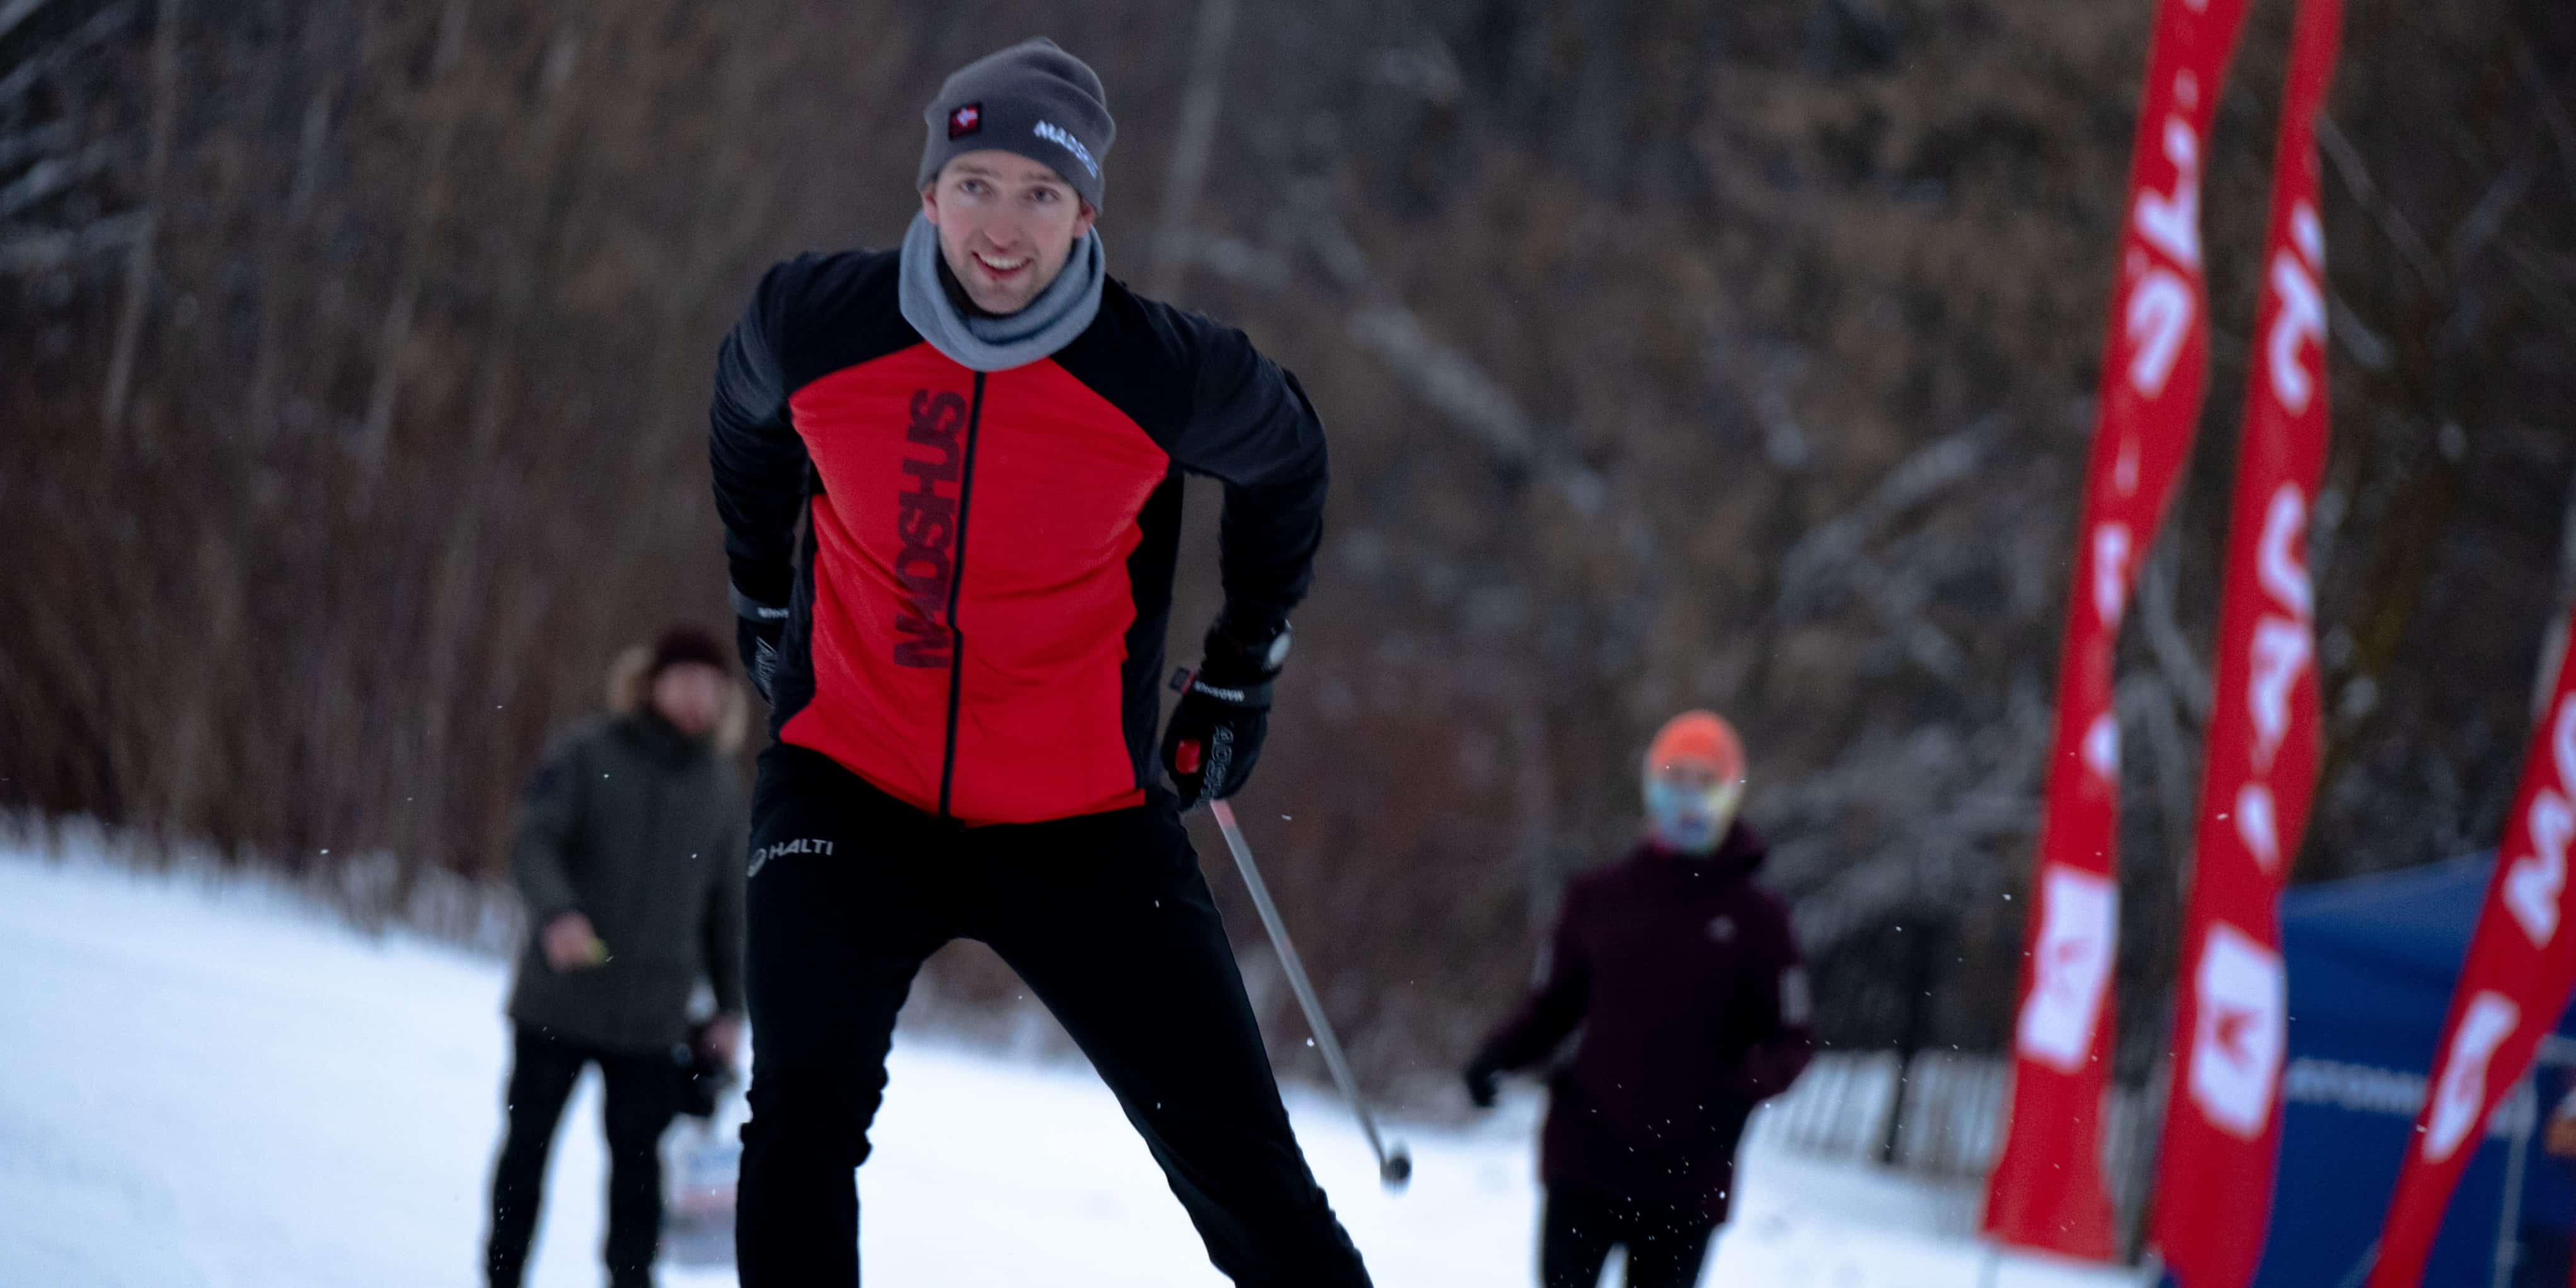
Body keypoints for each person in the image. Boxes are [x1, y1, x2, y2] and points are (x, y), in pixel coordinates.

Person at [706, 37, 1369, 1288]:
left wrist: (1243, 664)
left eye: (1040, 194)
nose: (1000, 229)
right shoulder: (816, 323)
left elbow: (1290, 461)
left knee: (1241, 1168)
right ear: (927, 194)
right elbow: (742, 424)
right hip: (849, 782)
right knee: (801, 1116)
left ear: (1086, 213)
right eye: (975, 185)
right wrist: (758, 583)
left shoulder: (1158, 370)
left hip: (1083, 822)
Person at [1464, 711, 1814, 1288]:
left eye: (1704, 782)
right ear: (1650, 786)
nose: (1687, 798)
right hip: (1586, 1156)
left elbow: (1792, 1039)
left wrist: (1736, 1096)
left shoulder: (1759, 921)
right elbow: (1552, 1008)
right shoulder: (1599, 898)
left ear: (1731, 793)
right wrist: (1496, 1056)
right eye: (1674, 779)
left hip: (1686, 1176)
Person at [486, 627, 749, 1288]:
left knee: (637, 1183)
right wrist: (559, 913)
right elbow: (533, 844)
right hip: (558, 1004)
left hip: (652, 1024)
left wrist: (729, 1007)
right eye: (687, 683)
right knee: (525, 1158)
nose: (699, 701)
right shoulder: (586, 751)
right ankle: (501, 1275)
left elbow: (726, 912)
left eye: (713, 692)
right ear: (651, 682)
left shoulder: (719, 791)